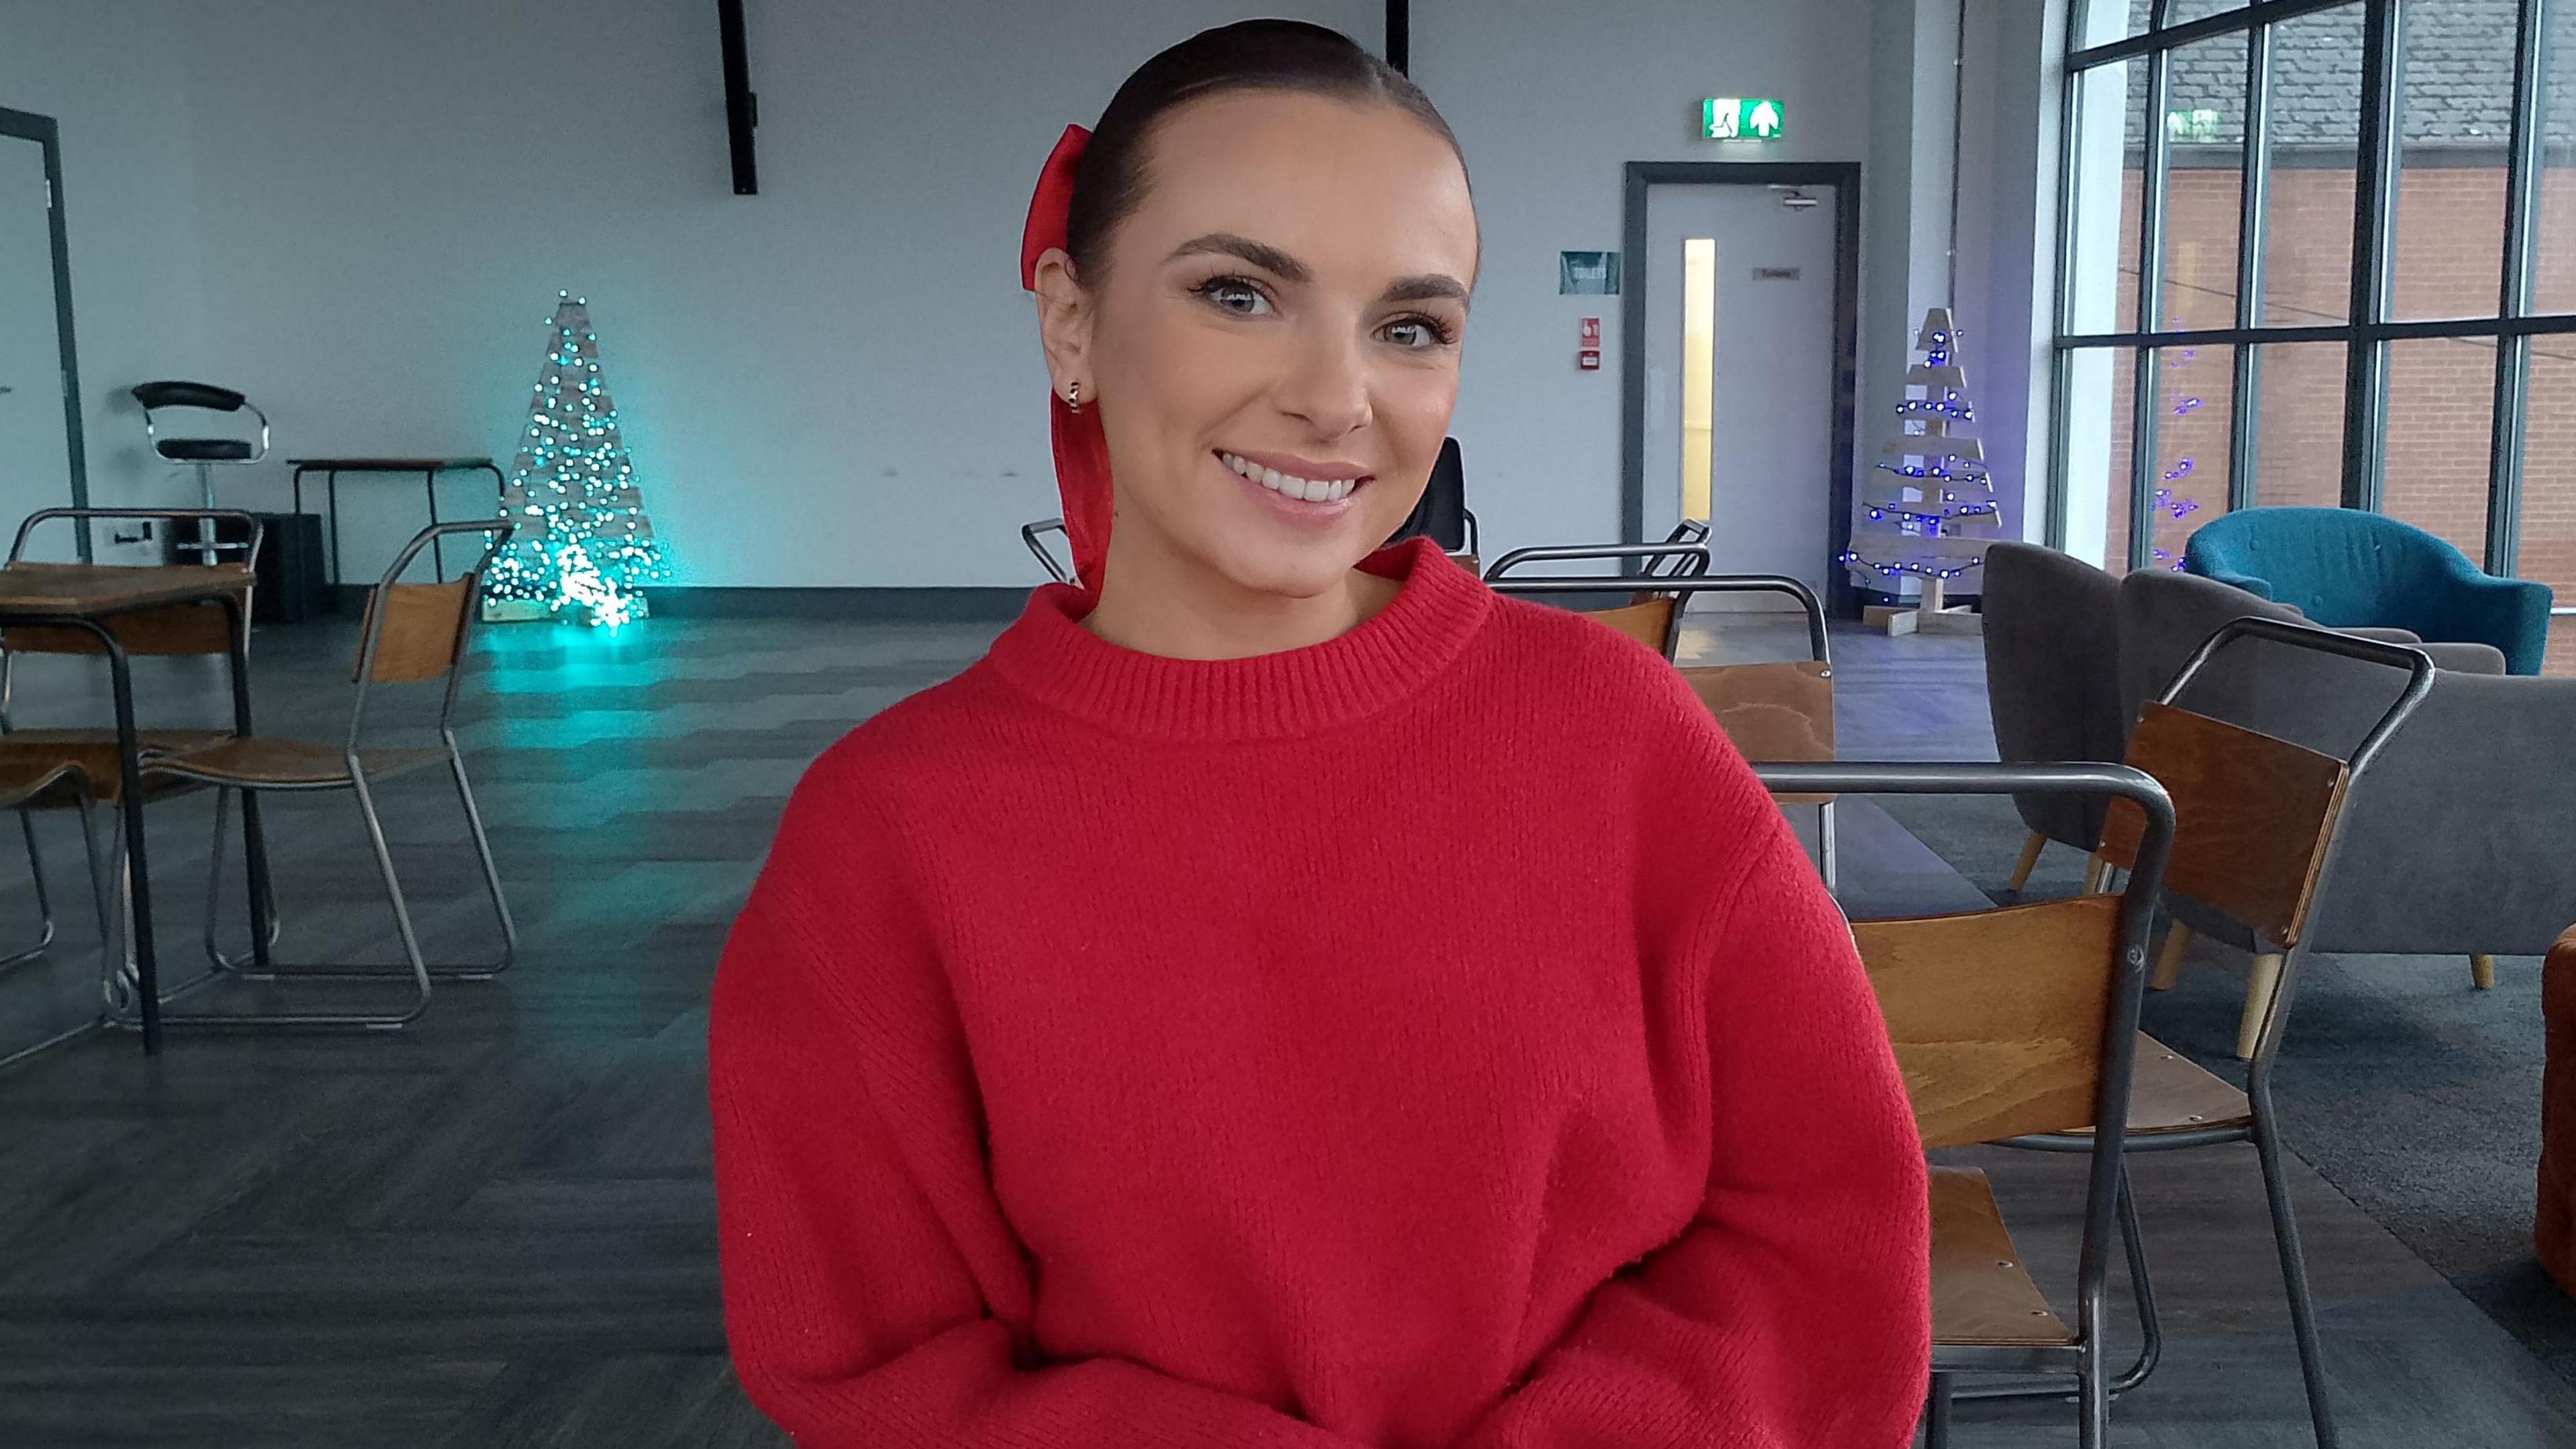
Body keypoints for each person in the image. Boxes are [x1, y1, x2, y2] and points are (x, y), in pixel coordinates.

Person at [709, 19, 1928, 1448]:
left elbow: (1821, 1228)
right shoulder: (886, 835)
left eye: (1410, 327)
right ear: (1072, 321)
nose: (1337, 399)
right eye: (1238, 292)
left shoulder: (1618, 736)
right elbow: (870, 1360)